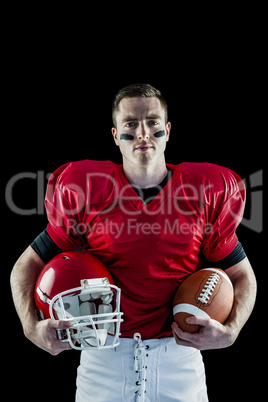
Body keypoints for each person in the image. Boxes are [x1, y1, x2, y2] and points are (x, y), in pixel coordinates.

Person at [10, 83, 257, 401]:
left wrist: (231, 331)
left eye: (153, 122)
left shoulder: (204, 192)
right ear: (115, 135)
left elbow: (241, 275)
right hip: (103, 360)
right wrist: (31, 327)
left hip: (179, 361)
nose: (143, 132)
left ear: (167, 131)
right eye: (131, 123)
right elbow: (26, 264)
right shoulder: (86, 189)